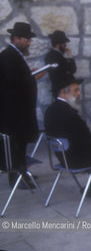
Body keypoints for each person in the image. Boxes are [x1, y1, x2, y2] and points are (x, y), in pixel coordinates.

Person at [0, 22, 45, 189]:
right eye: (27, 39)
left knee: (21, 145)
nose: (29, 43)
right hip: (13, 114)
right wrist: (33, 77)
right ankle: (17, 177)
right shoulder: (8, 55)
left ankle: (22, 172)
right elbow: (13, 83)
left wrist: (29, 74)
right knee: (15, 146)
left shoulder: (15, 55)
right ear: (17, 38)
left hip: (19, 112)